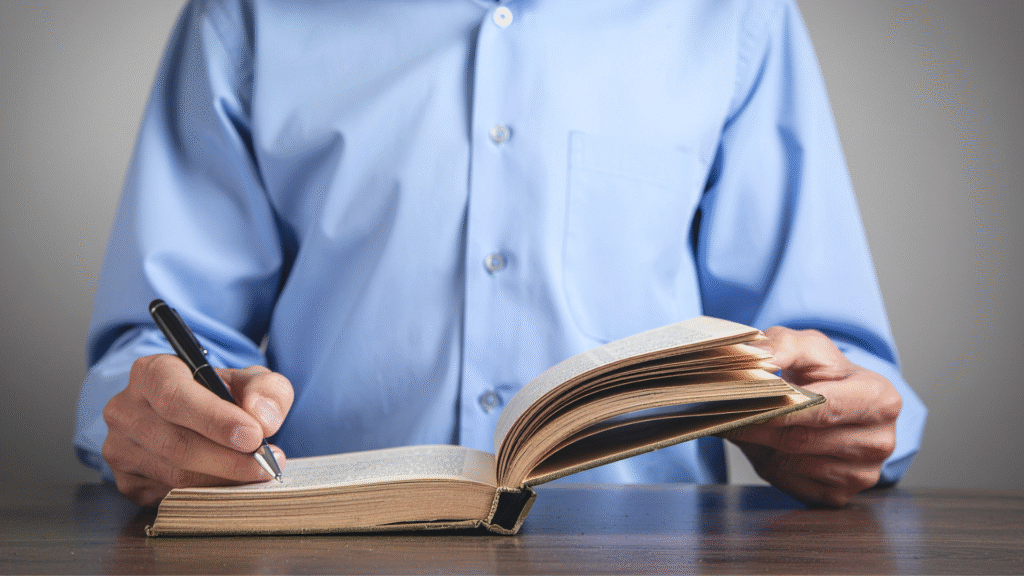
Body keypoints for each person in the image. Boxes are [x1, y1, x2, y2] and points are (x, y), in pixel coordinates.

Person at [76, 0, 927, 508]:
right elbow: (158, 354)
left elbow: (834, 362)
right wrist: (160, 417)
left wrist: (837, 418)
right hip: (321, 546)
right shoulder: (248, 14)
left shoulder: (738, 15)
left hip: (655, 554)